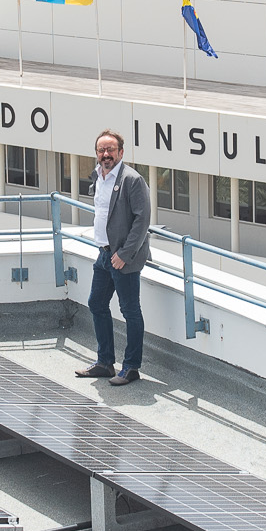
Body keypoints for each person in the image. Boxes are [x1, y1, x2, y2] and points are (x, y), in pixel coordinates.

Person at [76, 128, 151, 386]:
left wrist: (125, 254)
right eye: (101, 150)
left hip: (123, 258)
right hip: (104, 255)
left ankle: (131, 367)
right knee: (96, 303)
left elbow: (142, 221)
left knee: (130, 312)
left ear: (121, 152)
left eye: (110, 150)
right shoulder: (99, 176)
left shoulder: (132, 180)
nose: (106, 154)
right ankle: (105, 363)